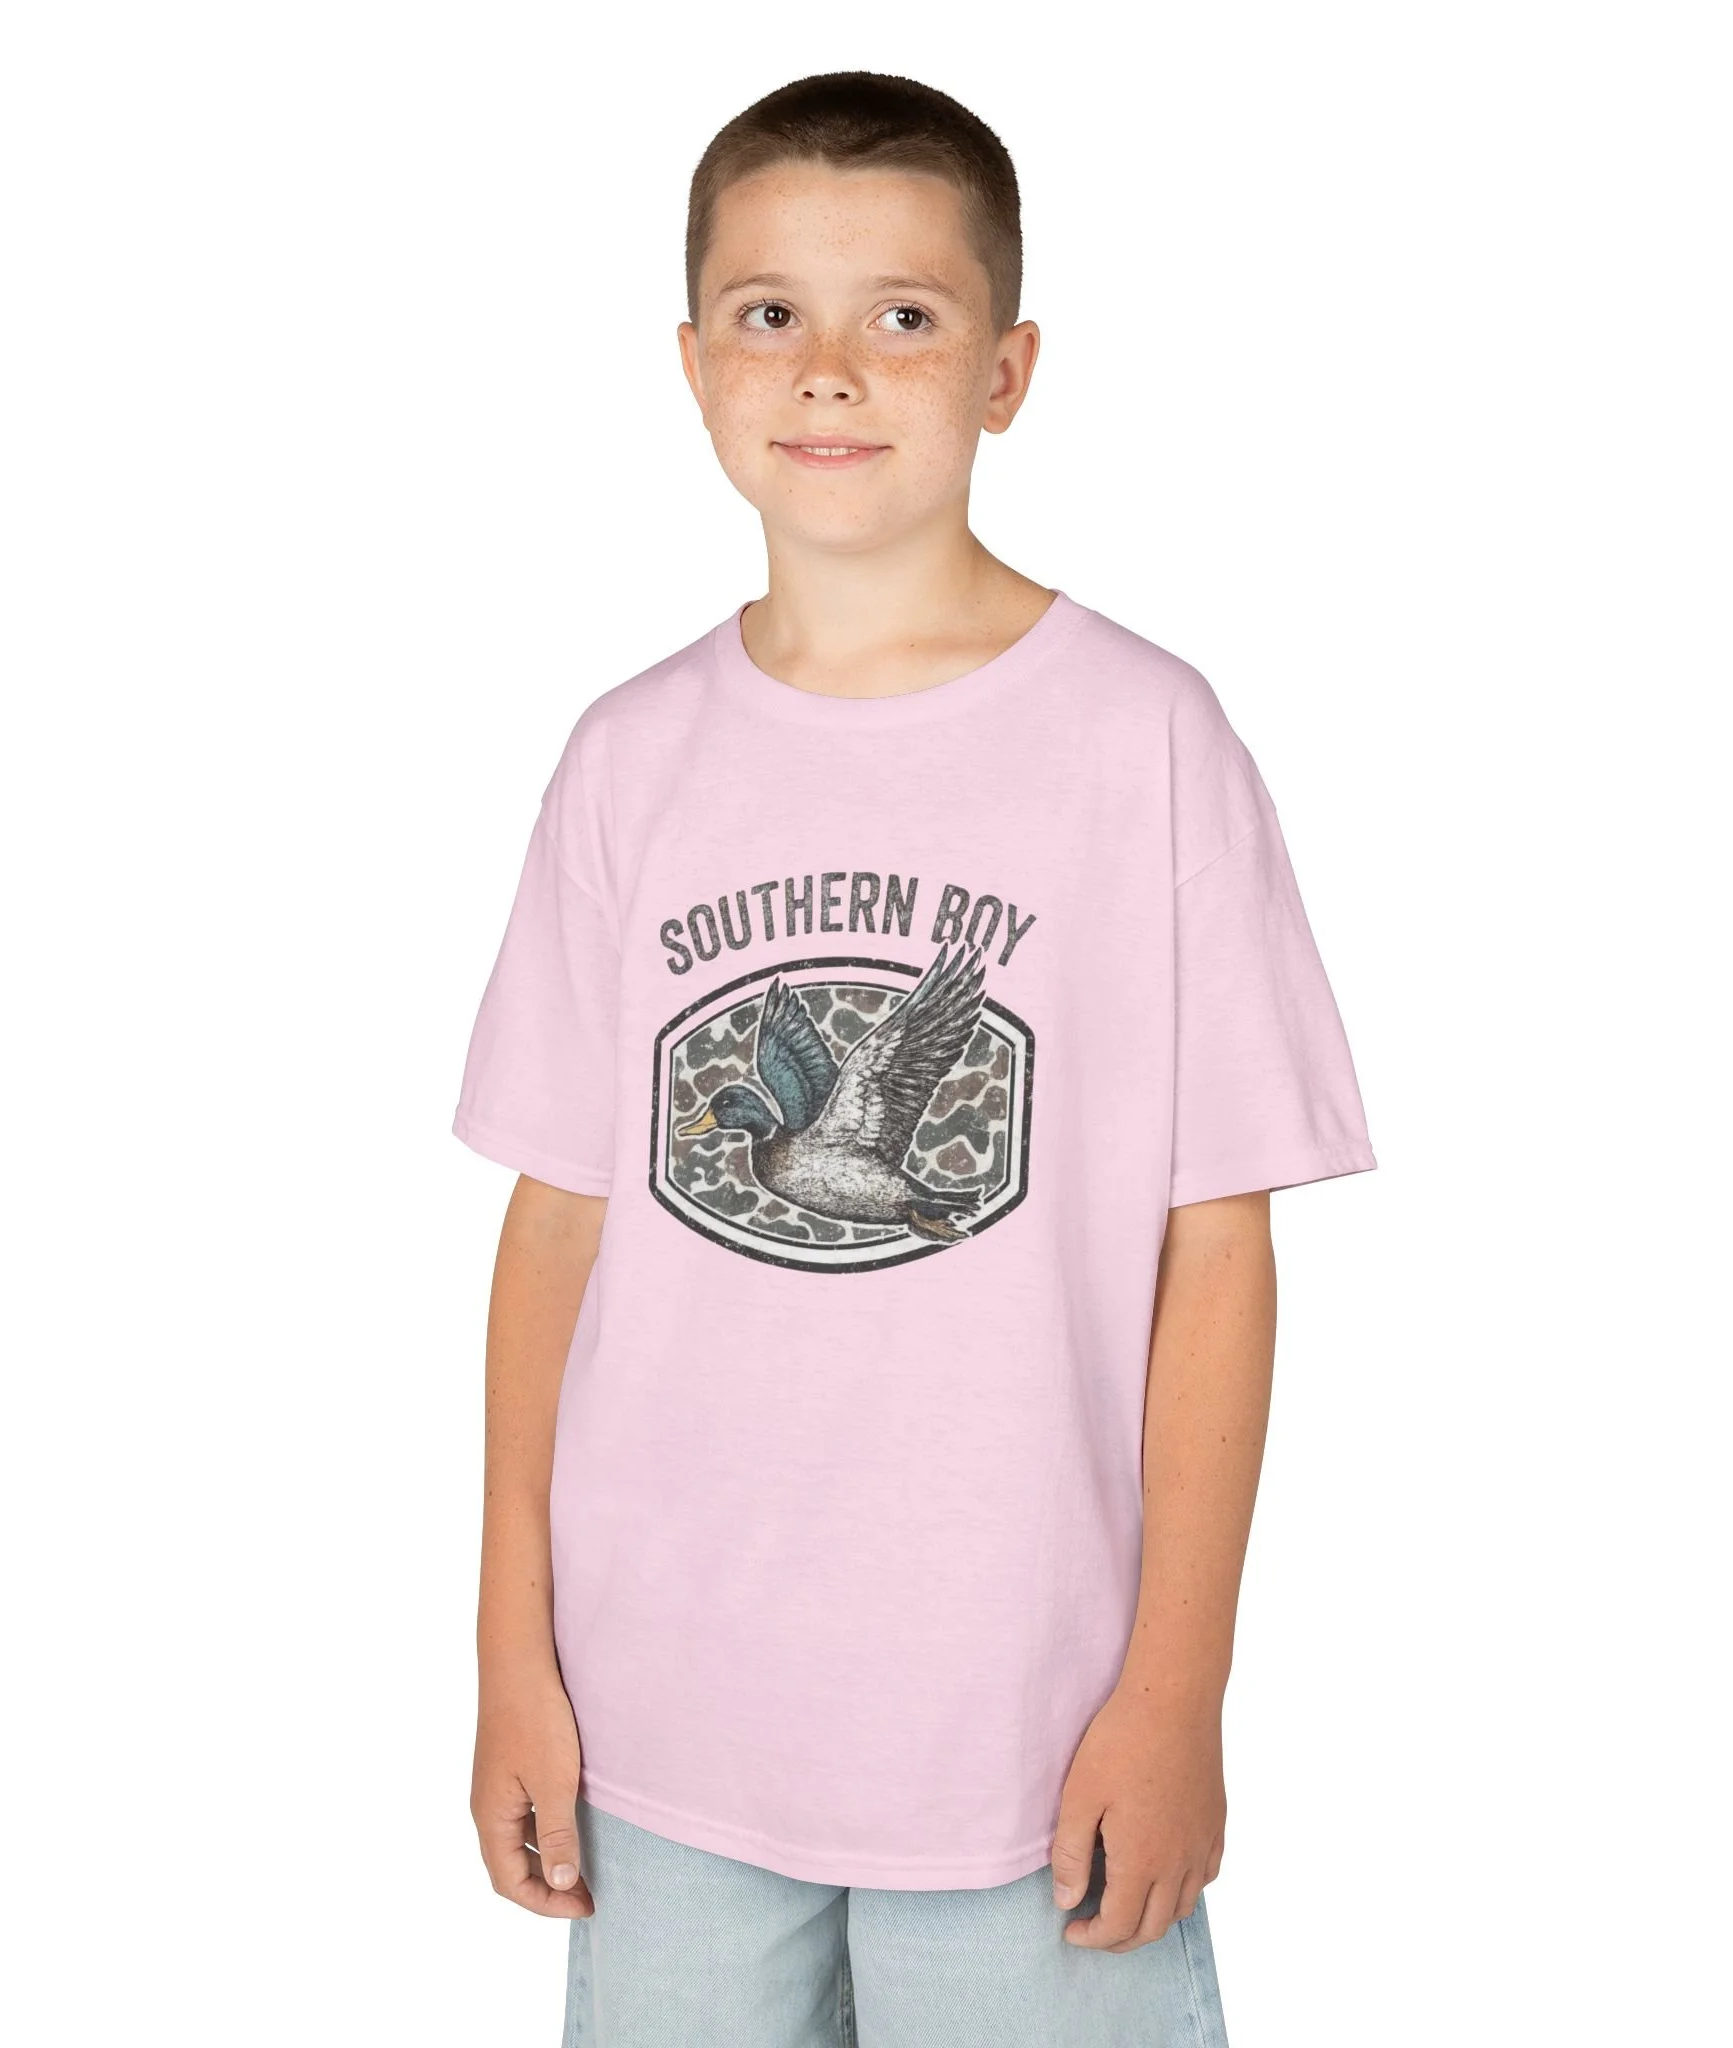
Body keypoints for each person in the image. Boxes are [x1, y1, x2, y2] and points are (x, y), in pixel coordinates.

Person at [453, 70, 1374, 2047]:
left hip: (1028, 1737)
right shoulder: (628, 758)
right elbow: (558, 1223)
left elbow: (1217, 1254)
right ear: (692, 364)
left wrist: (1175, 1692)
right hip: (664, 1725)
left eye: (904, 313)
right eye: (769, 312)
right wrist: (510, 1656)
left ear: (1007, 369)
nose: (830, 368)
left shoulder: (1143, 742)